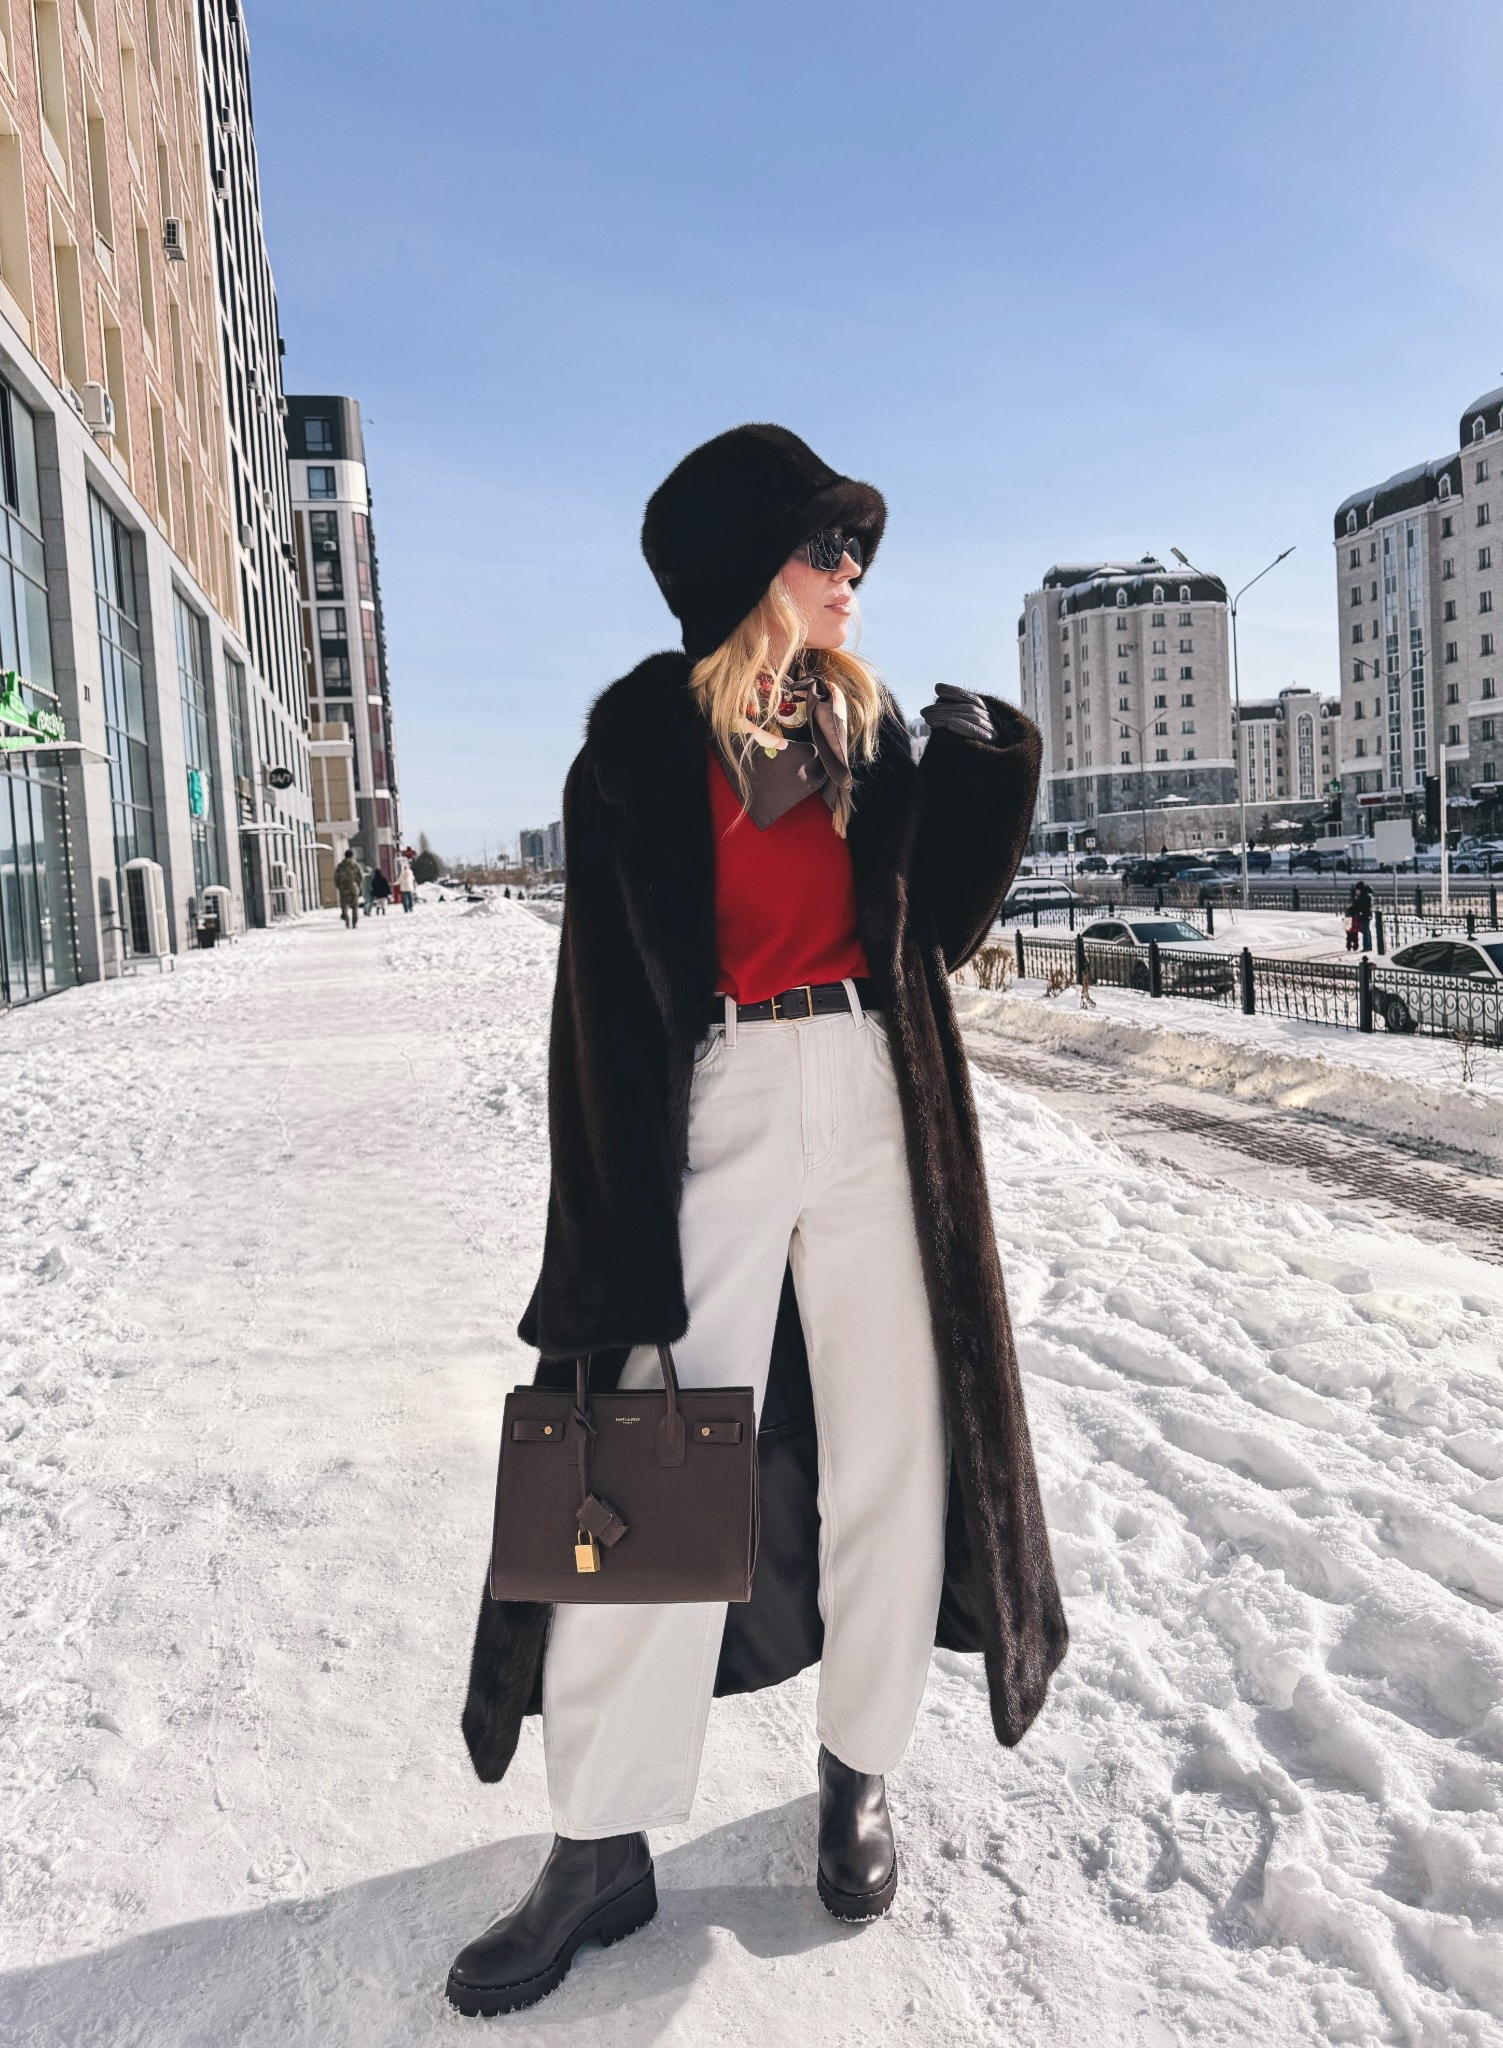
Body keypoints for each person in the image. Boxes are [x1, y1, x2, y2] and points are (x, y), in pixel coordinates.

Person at [450, 426, 1067, 2019]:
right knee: (640, 1463)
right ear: (748, 572)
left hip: (872, 1087)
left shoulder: (870, 728)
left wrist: (991, 780)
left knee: (893, 1451)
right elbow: (597, 1005)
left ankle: (858, 1777)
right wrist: (592, 1234)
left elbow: (939, 936)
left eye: (857, 549)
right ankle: (599, 1844)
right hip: (713, 1101)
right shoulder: (640, 748)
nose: (853, 574)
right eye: (823, 549)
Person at [332, 850, 362, 929]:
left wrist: (339, 886)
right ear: (352, 856)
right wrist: (358, 886)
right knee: (355, 907)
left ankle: (347, 920)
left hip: (343, 889)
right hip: (353, 888)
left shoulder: (340, 866)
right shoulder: (355, 865)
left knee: (344, 906)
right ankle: (354, 923)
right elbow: (361, 877)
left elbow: (336, 878)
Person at [1347, 876, 1374, 952]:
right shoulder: (1365, 895)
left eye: (1357, 890)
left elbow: (1358, 905)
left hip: (1364, 915)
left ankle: (1367, 947)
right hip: (1365, 915)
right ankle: (1368, 946)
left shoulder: (1365, 896)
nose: (1357, 892)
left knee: (1365, 931)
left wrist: (1354, 898)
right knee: (1366, 931)